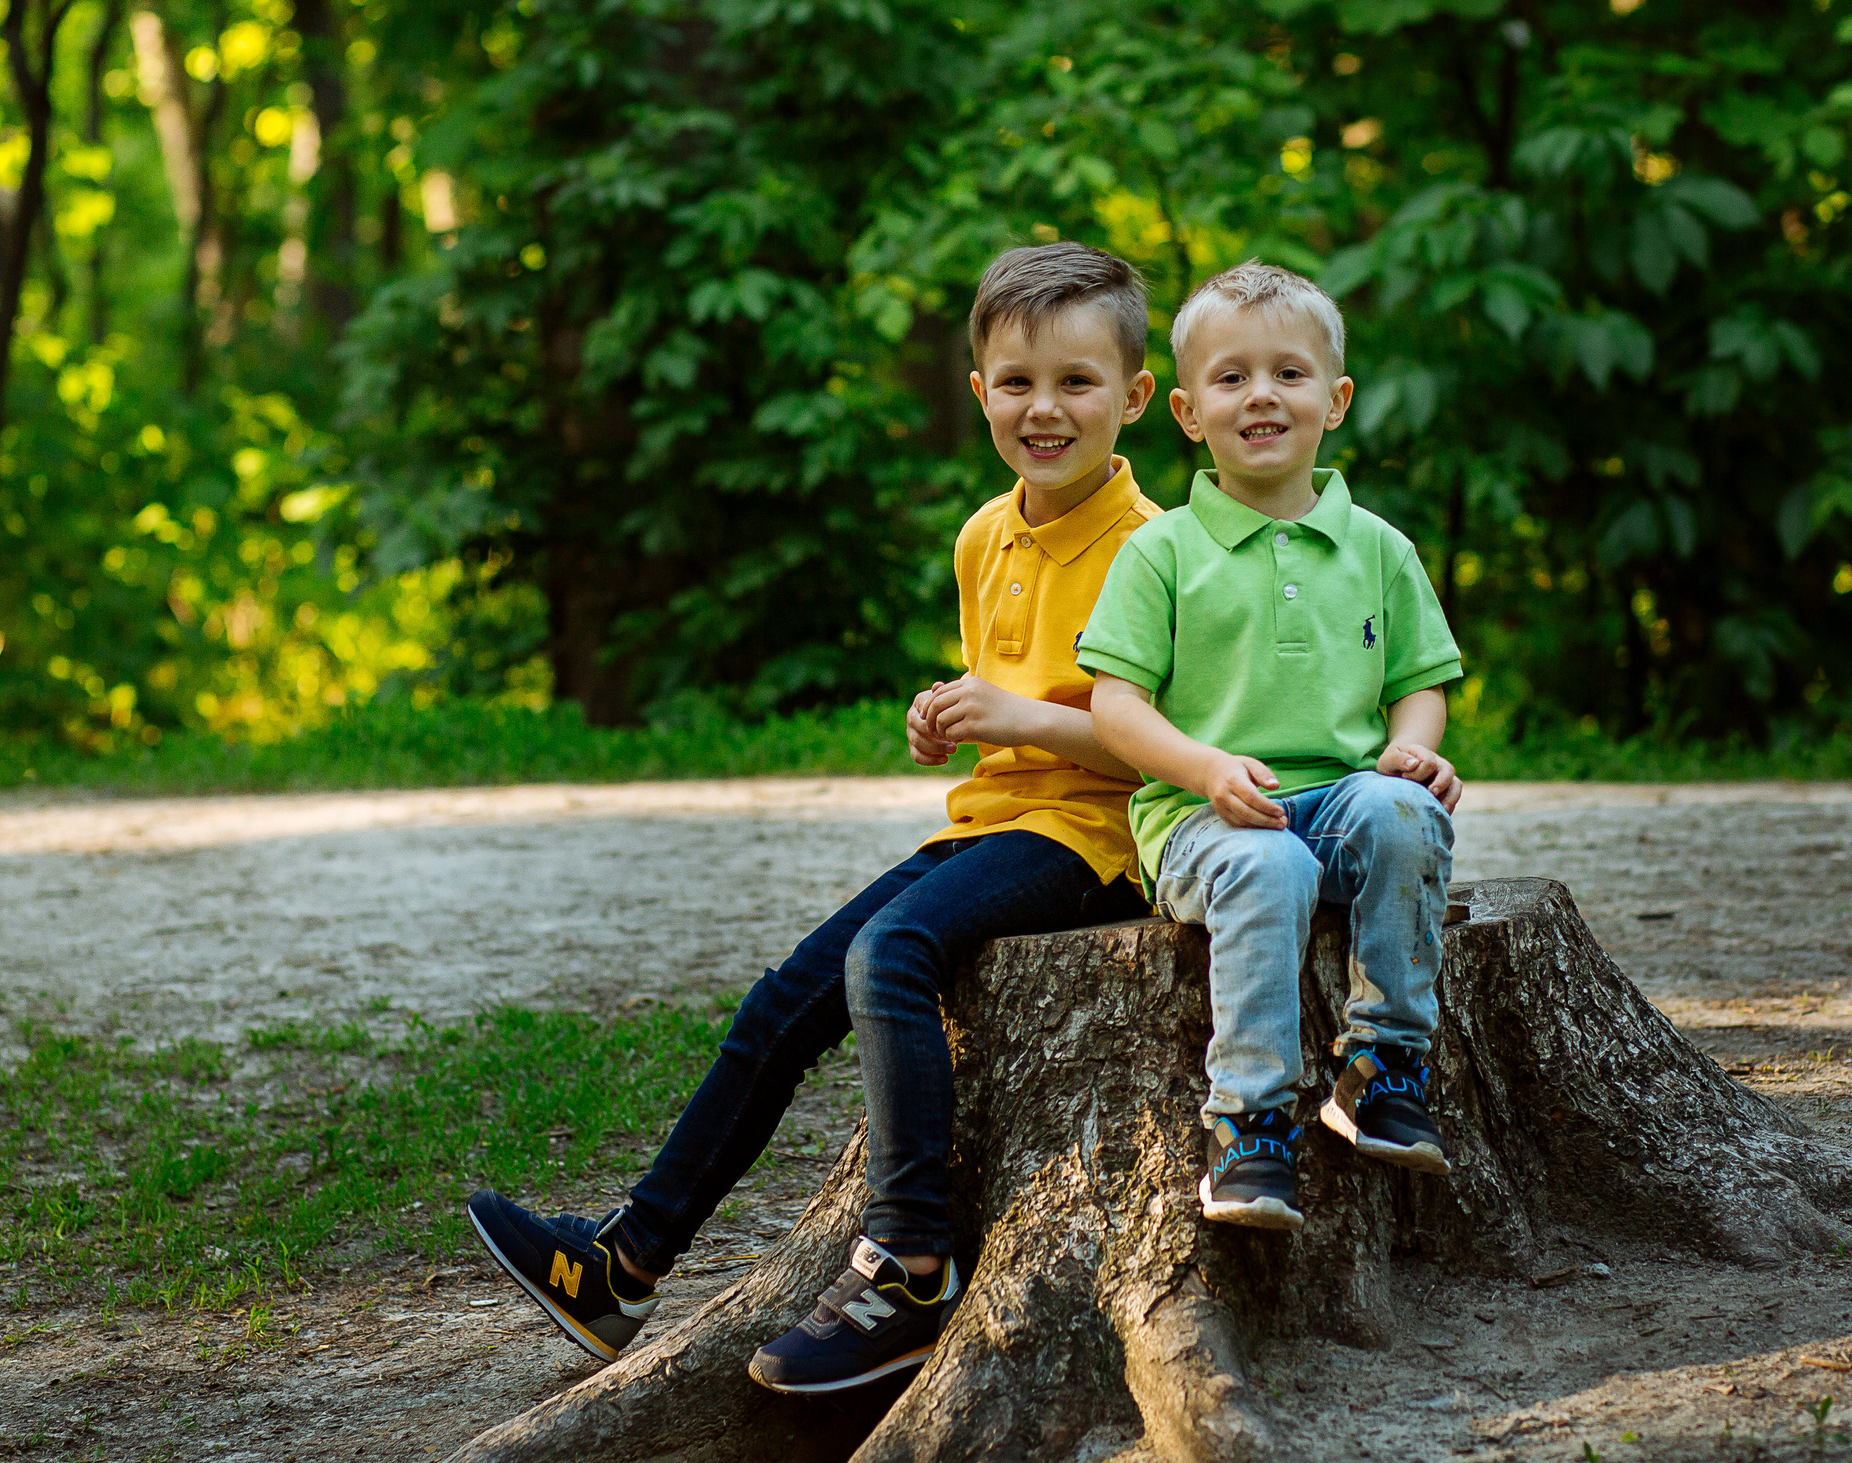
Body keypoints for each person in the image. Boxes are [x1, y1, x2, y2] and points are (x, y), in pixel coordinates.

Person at [465, 242, 1163, 1391]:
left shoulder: (1156, 552)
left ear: (1133, 397)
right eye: (1017, 381)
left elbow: (1155, 749)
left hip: (1099, 837)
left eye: (1077, 382)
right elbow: (1010, 697)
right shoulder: (984, 535)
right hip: (991, 825)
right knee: (788, 993)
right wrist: (955, 717)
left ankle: (910, 1266)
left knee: (893, 953)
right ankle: (623, 1268)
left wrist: (1024, 720)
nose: (1045, 409)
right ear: (978, 387)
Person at [1077, 259, 1464, 1232]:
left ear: (1333, 401)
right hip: (1204, 817)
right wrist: (1205, 769)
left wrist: (1412, 752)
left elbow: (1420, 687)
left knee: (1405, 814)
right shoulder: (1161, 551)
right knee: (1266, 869)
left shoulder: (1378, 547)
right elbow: (1115, 706)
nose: (1261, 395)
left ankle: (1381, 1065)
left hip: (1337, 801)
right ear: (1186, 411)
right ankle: (1249, 1124)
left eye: (1288, 374)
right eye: (1231, 377)